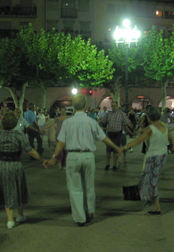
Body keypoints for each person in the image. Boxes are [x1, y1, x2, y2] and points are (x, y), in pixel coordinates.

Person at [44, 95, 121, 226]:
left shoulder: (68, 122)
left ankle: (80, 218)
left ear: (74, 106)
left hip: (73, 156)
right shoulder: (91, 122)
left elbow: (61, 142)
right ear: (85, 106)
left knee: (75, 189)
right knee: (89, 186)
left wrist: (54, 158)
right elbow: (103, 138)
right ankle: (90, 210)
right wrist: (116, 148)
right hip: (88, 156)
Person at [0, 110, 44, 229]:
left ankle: (10, 219)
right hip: (15, 164)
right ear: (15, 123)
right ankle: (20, 215)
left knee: (6, 190)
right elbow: (30, 150)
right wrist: (42, 160)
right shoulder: (19, 135)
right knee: (18, 188)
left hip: (1, 165)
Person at [120, 107, 174, 215]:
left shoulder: (151, 128)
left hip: (153, 156)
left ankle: (157, 206)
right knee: (151, 177)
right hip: (163, 155)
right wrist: (173, 148)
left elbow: (138, 141)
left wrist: (123, 148)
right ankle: (150, 198)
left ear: (149, 118)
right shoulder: (164, 126)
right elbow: (171, 140)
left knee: (152, 180)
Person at [98, 101, 133, 170]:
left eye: (114, 106)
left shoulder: (122, 114)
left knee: (115, 150)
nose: (113, 107)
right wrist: (94, 123)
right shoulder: (108, 114)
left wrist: (133, 128)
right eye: (112, 106)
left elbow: (128, 122)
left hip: (118, 134)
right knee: (108, 150)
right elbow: (102, 120)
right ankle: (107, 164)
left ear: (117, 106)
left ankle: (114, 165)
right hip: (109, 133)